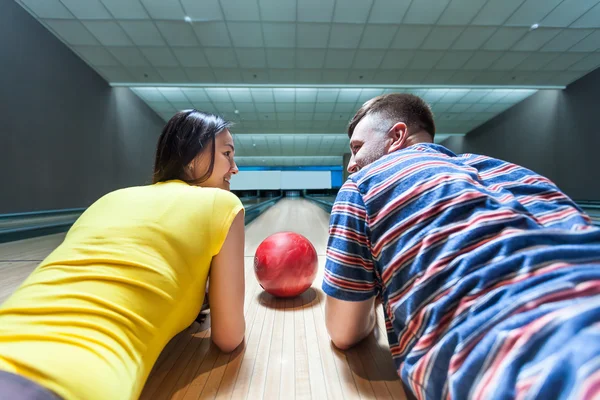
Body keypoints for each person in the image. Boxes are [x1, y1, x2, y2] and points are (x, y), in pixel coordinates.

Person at [322, 93, 600, 400]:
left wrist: (374, 310)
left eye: (357, 148)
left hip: (519, 357)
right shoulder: (520, 174)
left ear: (397, 136)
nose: (351, 165)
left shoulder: (364, 185)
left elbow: (344, 331)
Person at [0, 110, 246, 400]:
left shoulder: (109, 199)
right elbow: (228, 338)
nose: (235, 168)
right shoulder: (223, 203)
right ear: (192, 158)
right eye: (227, 154)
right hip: (69, 380)